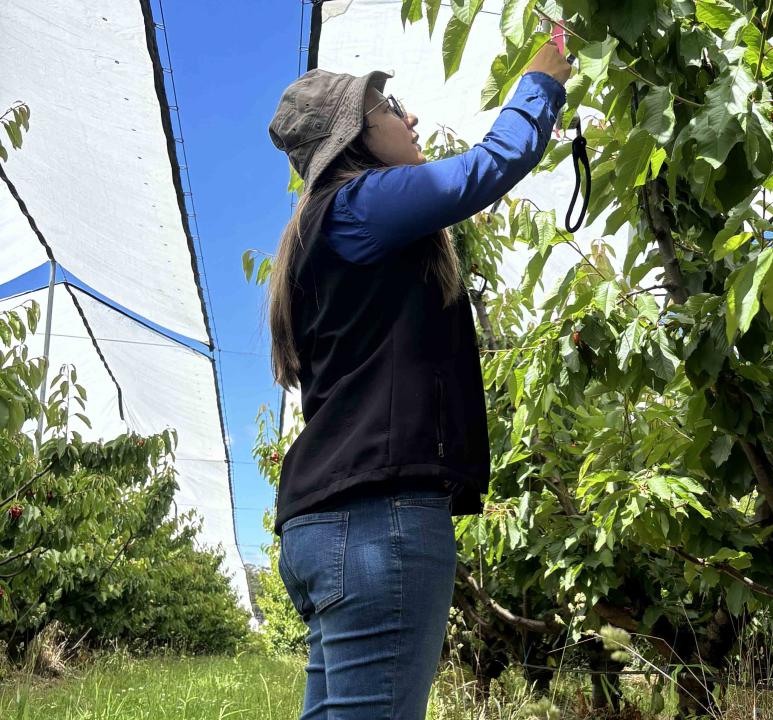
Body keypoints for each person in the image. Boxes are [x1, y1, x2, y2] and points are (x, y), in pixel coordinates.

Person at [264, 41, 572, 719]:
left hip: (324, 523)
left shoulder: (320, 231)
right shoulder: (357, 206)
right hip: (378, 524)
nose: (410, 117)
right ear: (355, 135)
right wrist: (541, 84)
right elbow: (487, 168)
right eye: (390, 106)